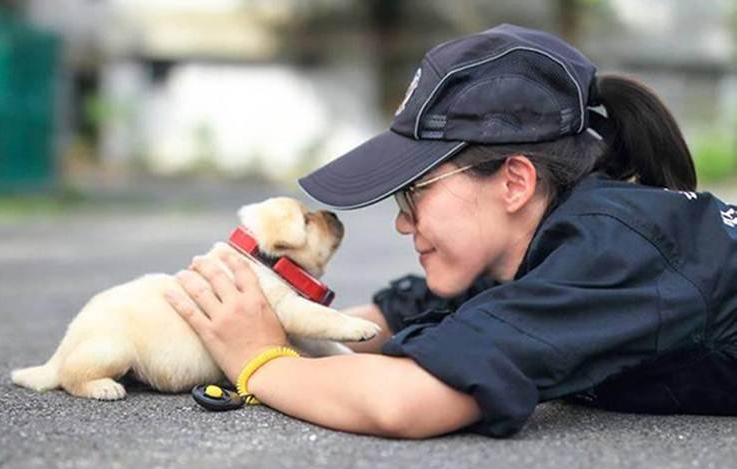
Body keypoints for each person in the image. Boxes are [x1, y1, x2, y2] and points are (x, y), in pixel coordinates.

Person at [164, 24, 737, 438]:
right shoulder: (541, 246)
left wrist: (262, 361)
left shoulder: (612, 251)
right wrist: (253, 321)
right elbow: (399, 318)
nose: (402, 221)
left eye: (415, 193)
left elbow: (406, 400)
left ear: (514, 182)